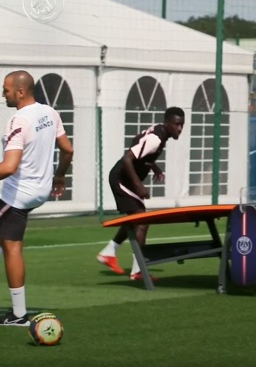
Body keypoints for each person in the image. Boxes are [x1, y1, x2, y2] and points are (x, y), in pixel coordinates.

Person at [1, 70, 74, 326]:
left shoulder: (18, 121)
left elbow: (9, 167)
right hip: (38, 192)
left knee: (11, 248)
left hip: (15, 194)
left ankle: (19, 315)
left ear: (20, 92)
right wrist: (60, 176)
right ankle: (18, 312)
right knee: (12, 246)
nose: (3, 94)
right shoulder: (49, 113)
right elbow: (68, 149)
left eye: (6, 90)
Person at [96, 107, 185, 281]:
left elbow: (140, 149)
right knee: (142, 220)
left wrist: (154, 167)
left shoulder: (160, 133)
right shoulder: (156, 139)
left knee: (135, 220)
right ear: (167, 123)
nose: (180, 128)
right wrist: (139, 186)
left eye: (182, 124)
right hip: (121, 179)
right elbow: (128, 158)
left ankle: (109, 253)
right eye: (176, 124)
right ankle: (137, 271)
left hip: (126, 179)